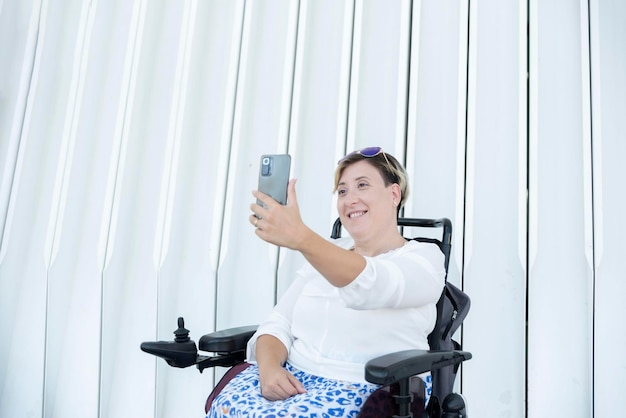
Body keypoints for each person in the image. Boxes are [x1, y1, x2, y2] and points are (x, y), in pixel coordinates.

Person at [206, 147, 446, 417]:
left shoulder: (424, 258)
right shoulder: (329, 250)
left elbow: (367, 287)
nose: (349, 199)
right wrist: (270, 369)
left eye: (362, 186)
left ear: (393, 194)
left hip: (365, 388)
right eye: (342, 191)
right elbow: (278, 324)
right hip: (291, 378)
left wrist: (302, 238)